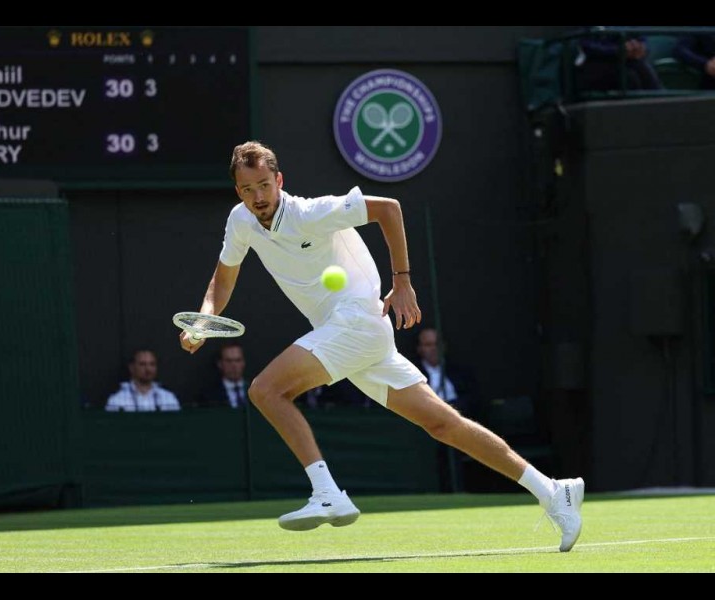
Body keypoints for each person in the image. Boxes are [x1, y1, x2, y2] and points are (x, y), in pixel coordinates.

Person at [180, 141, 584, 552]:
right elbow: (222, 281)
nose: (258, 197)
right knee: (442, 424)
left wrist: (402, 281)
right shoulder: (241, 221)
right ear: (238, 191)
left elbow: (388, 208)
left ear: (279, 180)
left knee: (266, 390)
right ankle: (554, 491)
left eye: (264, 185)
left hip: (356, 320)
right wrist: (202, 320)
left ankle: (326, 492)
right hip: (350, 333)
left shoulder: (311, 213)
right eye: (248, 189)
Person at [414, 327, 479, 492]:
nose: (433, 348)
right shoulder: (413, 374)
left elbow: (472, 399)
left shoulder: (459, 372)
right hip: (427, 428)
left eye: (436, 344)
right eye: (428, 345)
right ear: (420, 349)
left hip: (459, 422)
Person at [574, 26, 663, 93]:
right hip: (593, 66)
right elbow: (586, 45)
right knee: (629, 77)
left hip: (624, 62)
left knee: (643, 69)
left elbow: (640, 39)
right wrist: (617, 50)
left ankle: (660, 104)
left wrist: (639, 47)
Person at [105, 349, 181, 412]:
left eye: (152, 364)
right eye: (142, 364)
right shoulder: (117, 400)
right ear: (131, 368)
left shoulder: (168, 398)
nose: (148, 369)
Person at [198, 342, 249, 408]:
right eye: (229, 361)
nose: (234, 365)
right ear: (220, 364)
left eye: (237, 360)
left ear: (243, 362)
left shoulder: (255, 389)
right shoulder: (208, 395)